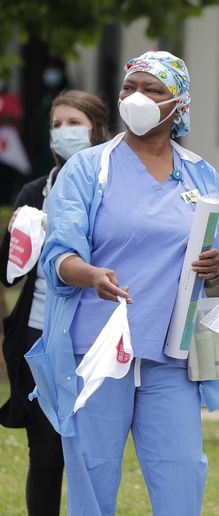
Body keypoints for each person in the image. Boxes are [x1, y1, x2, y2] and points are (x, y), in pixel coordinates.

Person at [26, 51, 219, 515]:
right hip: (99, 351)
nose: (137, 98)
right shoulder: (90, 169)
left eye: (152, 90)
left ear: (178, 103)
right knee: (93, 473)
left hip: (172, 355)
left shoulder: (201, 174)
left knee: (182, 474)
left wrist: (216, 269)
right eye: (130, 88)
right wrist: (90, 275)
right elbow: (58, 255)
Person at [0, 90, 110, 515]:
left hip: (95, 338)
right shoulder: (34, 190)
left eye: (74, 123)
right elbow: (9, 275)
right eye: (56, 125)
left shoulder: (114, 189)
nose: (64, 133)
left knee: (90, 453)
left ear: (98, 130)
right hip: (39, 336)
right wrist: (17, 238)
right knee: (44, 453)